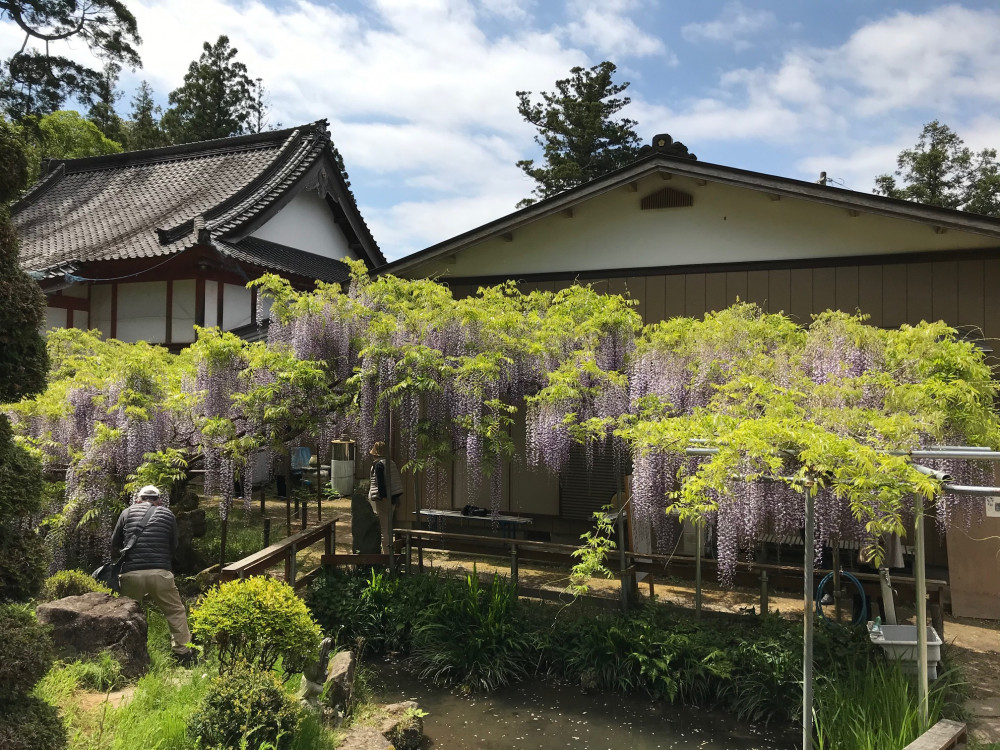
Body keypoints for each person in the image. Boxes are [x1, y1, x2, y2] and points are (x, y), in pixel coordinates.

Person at [111, 485, 195, 665]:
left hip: (131, 573)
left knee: (126, 614)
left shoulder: (126, 513)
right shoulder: (167, 514)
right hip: (160, 572)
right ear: (159, 500)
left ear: (138, 499)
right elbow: (174, 545)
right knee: (175, 611)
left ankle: (124, 654)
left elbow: (115, 542)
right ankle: (183, 653)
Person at [368, 441, 403, 555]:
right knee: (388, 527)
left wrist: (382, 498)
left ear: (376, 454)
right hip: (392, 499)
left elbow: (380, 484)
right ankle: (389, 553)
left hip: (384, 500)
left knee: (384, 529)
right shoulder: (391, 463)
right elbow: (395, 482)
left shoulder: (379, 465)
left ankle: (387, 556)